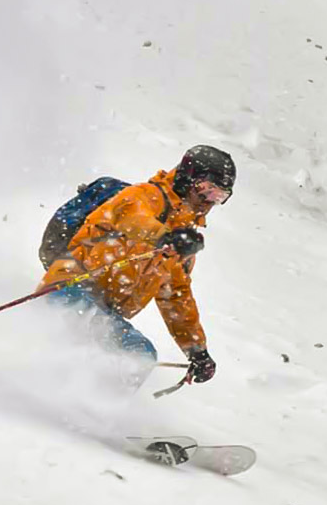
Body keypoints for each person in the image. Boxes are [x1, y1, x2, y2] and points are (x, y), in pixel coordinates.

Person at [40, 145, 236, 389]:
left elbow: (176, 298)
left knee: (141, 355)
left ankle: (94, 410)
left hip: (104, 310)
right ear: (187, 178)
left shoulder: (181, 243)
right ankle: (64, 397)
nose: (208, 203)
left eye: (219, 197)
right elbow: (133, 220)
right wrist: (165, 238)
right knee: (133, 354)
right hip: (69, 287)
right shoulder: (142, 196)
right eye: (207, 190)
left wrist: (197, 351)